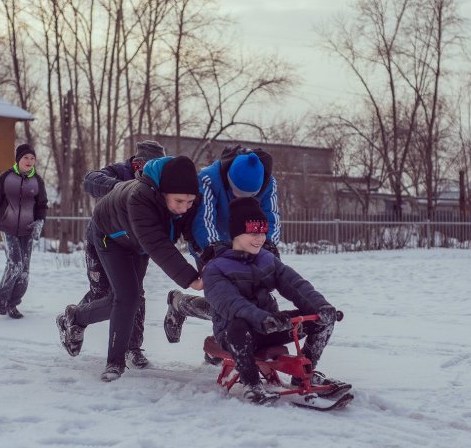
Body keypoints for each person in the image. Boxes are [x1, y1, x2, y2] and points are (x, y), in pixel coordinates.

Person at [55, 155, 204, 382]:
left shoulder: (185, 200)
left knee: (129, 299)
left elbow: (193, 233)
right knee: (127, 297)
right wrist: (192, 278)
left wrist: (208, 259)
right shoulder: (140, 198)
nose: (184, 208)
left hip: (137, 244)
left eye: (189, 202)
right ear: (162, 192)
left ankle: (75, 317)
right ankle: (114, 363)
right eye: (179, 201)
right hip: (110, 237)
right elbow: (157, 244)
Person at [202, 197, 343, 404]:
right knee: (238, 327)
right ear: (236, 233)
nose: (260, 238)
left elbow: (295, 285)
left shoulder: (267, 259)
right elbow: (230, 303)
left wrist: (320, 306)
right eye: (253, 233)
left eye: (262, 232)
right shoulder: (216, 268)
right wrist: (262, 318)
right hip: (235, 332)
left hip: (271, 327)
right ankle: (252, 385)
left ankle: (303, 375)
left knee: (322, 320)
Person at [55, 140, 166, 368]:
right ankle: (72, 319)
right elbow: (90, 180)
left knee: (135, 293)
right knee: (101, 293)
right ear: (137, 163)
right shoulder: (120, 171)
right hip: (102, 240)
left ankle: (132, 348)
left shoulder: (159, 180)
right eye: (148, 167)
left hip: (135, 243)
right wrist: (119, 187)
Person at [162, 145, 280, 347]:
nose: (243, 199)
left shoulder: (268, 182)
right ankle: (180, 304)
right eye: (238, 192)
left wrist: (268, 245)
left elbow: (271, 217)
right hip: (209, 244)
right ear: (229, 181)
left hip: (246, 244)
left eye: (250, 195)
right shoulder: (209, 179)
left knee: (250, 299)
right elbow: (203, 220)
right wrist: (214, 250)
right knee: (224, 301)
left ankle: (225, 340)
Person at [0, 143, 48, 319]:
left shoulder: (37, 181)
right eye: (26, 158)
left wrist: (39, 222)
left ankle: (13, 304)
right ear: (18, 159)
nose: (29, 161)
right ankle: (2, 299)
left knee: (24, 271)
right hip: (8, 228)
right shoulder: (6, 178)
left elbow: (42, 206)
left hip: (28, 230)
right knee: (15, 265)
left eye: (32, 158)